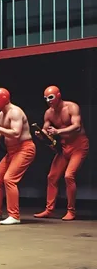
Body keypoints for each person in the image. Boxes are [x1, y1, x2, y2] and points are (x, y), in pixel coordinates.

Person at [0, 88, 36, 225]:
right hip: (12, 151)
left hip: (24, 148)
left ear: (4, 98)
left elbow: (16, 133)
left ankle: (14, 216)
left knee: (9, 179)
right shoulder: (0, 115)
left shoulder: (15, 112)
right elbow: (1, 135)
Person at [33, 86, 89, 221]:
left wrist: (58, 132)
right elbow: (45, 131)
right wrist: (42, 134)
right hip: (65, 147)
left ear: (58, 95)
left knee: (69, 176)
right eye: (46, 98)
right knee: (52, 176)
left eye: (51, 97)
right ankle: (49, 209)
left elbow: (77, 126)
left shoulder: (71, 107)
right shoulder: (49, 113)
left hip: (79, 145)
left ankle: (71, 211)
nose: (48, 100)